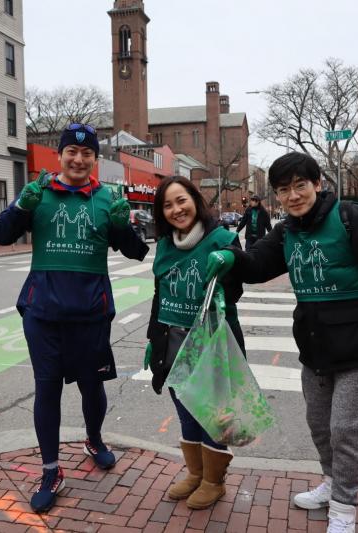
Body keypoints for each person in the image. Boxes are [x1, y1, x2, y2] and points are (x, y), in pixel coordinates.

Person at [206, 151, 358, 533]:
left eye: (300, 185)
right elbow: (259, 263)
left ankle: (344, 510)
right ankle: (331, 483)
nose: (293, 195)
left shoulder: (351, 219)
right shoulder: (287, 232)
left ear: (317, 184)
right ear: (277, 196)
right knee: (319, 425)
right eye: (284, 190)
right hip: (314, 351)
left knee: (346, 429)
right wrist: (231, 258)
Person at [0, 123, 148, 514]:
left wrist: (122, 223)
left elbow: (137, 252)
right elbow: (0, 235)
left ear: (95, 160)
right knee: (47, 390)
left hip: (90, 315)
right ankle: (50, 470)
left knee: (92, 387)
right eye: (71, 153)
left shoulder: (104, 199)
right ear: (59, 156)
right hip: (42, 314)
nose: (78, 159)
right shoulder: (39, 195)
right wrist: (19, 208)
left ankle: (93, 439)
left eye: (87, 154)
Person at [144, 175, 245, 510]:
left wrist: (229, 265)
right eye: (167, 205)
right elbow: (160, 294)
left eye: (181, 200)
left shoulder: (222, 239)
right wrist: (151, 339)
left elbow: (235, 293)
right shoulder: (165, 244)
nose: (176, 210)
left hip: (210, 343)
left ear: (195, 200)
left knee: (211, 413)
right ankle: (195, 473)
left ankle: (213, 481)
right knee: (185, 410)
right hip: (172, 342)